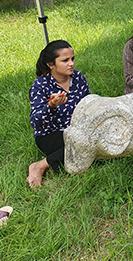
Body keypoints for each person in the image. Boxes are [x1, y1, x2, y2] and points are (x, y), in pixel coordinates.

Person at [27, 40, 91, 188]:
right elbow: (36, 122)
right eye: (65, 60)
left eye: (73, 59)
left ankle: (75, 155)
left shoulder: (78, 78)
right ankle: (41, 165)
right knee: (85, 144)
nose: (71, 64)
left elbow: (88, 104)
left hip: (79, 129)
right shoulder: (41, 85)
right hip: (51, 134)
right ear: (51, 64)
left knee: (94, 141)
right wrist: (51, 106)